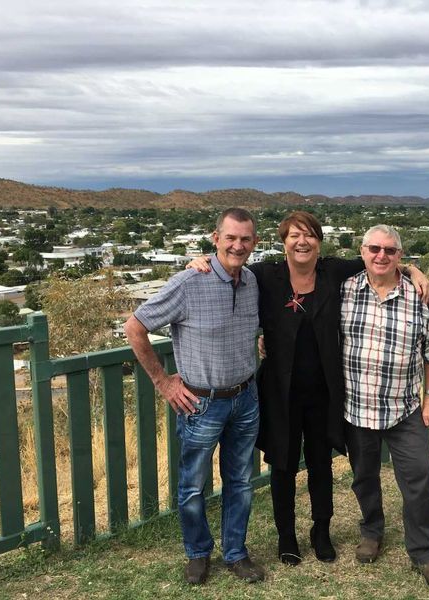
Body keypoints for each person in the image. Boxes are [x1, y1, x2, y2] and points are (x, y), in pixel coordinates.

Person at [186, 211, 429, 566]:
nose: (302, 241)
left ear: (319, 242)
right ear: (282, 241)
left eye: (310, 235)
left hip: (325, 392)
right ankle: (287, 536)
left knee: (320, 464)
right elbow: (230, 265)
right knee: (282, 466)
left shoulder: (333, 272)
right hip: (279, 392)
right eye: (294, 235)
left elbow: (380, 260)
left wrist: (414, 270)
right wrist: (202, 260)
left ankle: (321, 531)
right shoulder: (265, 276)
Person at [123, 207, 265, 586]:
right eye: (230, 237)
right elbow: (134, 326)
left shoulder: (252, 281)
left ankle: (235, 553)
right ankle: (198, 553)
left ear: (255, 243)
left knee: (240, 481)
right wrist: (164, 382)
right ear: (215, 238)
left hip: (245, 398)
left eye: (245, 239)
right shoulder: (188, 282)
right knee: (192, 486)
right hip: (200, 403)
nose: (238, 245)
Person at [340, 224, 429, 589]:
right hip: (356, 409)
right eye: (374, 248)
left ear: (400, 257)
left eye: (390, 250)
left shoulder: (418, 297)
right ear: (362, 251)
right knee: (364, 478)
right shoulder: (345, 291)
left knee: (419, 479)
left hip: (404, 410)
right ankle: (372, 532)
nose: (381, 255)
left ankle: (423, 553)